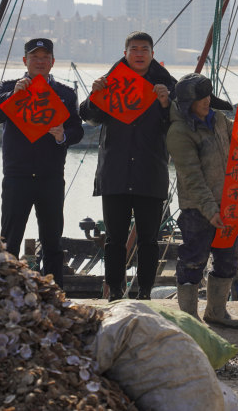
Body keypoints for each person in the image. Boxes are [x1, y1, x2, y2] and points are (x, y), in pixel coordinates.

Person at [79, 31, 176, 301]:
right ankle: (116, 292)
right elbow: (88, 116)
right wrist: (94, 95)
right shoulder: (111, 81)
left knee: (149, 240)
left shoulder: (167, 84)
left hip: (150, 173)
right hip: (116, 172)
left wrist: (166, 103)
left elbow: (179, 124)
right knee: (114, 239)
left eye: (144, 49)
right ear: (126, 53)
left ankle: (145, 292)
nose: (139, 53)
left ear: (152, 54)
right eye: (134, 49)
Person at [166, 73, 238, 328]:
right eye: (200, 98)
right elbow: (191, 177)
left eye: (208, 96)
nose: (206, 101)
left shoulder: (220, 119)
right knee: (192, 263)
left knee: (227, 261)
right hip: (196, 211)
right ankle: (189, 319)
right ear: (188, 102)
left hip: (228, 206)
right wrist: (210, 209)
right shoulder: (178, 131)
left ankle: (216, 312)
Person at [0, 38, 84, 289]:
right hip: (17, 176)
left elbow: (78, 130)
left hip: (51, 176)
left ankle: (56, 296)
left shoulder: (65, 93)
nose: (39, 61)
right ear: (25, 61)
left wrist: (63, 136)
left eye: (44, 57)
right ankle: (5, 294)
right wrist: (12, 94)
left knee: (52, 242)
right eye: (34, 57)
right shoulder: (9, 86)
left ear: (52, 61)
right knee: (10, 240)